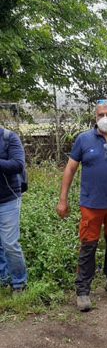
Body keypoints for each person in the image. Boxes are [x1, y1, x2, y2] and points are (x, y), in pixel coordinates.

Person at [57, 99, 107, 312]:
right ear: (95, 117)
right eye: (101, 114)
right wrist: (63, 200)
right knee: (88, 247)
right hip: (91, 205)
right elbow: (70, 170)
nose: (105, 119)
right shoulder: (83, 140)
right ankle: (83, 291)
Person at [0, 126, 27, 294]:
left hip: (8, 199)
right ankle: (3, 279)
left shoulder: (9, 137)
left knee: (9, 244)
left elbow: (18, 164)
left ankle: (19, 283)